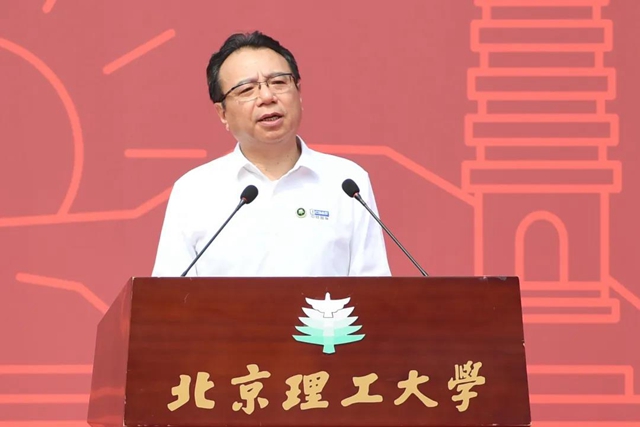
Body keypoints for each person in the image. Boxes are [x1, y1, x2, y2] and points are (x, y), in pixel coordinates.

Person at [151, 31, 391, 277]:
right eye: (246, 89)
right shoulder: (194, 190)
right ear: (222, 113)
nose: (267, 97)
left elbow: (374, 289)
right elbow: (168, 294)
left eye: (278, 82)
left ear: (298, 92)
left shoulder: (346, 182)